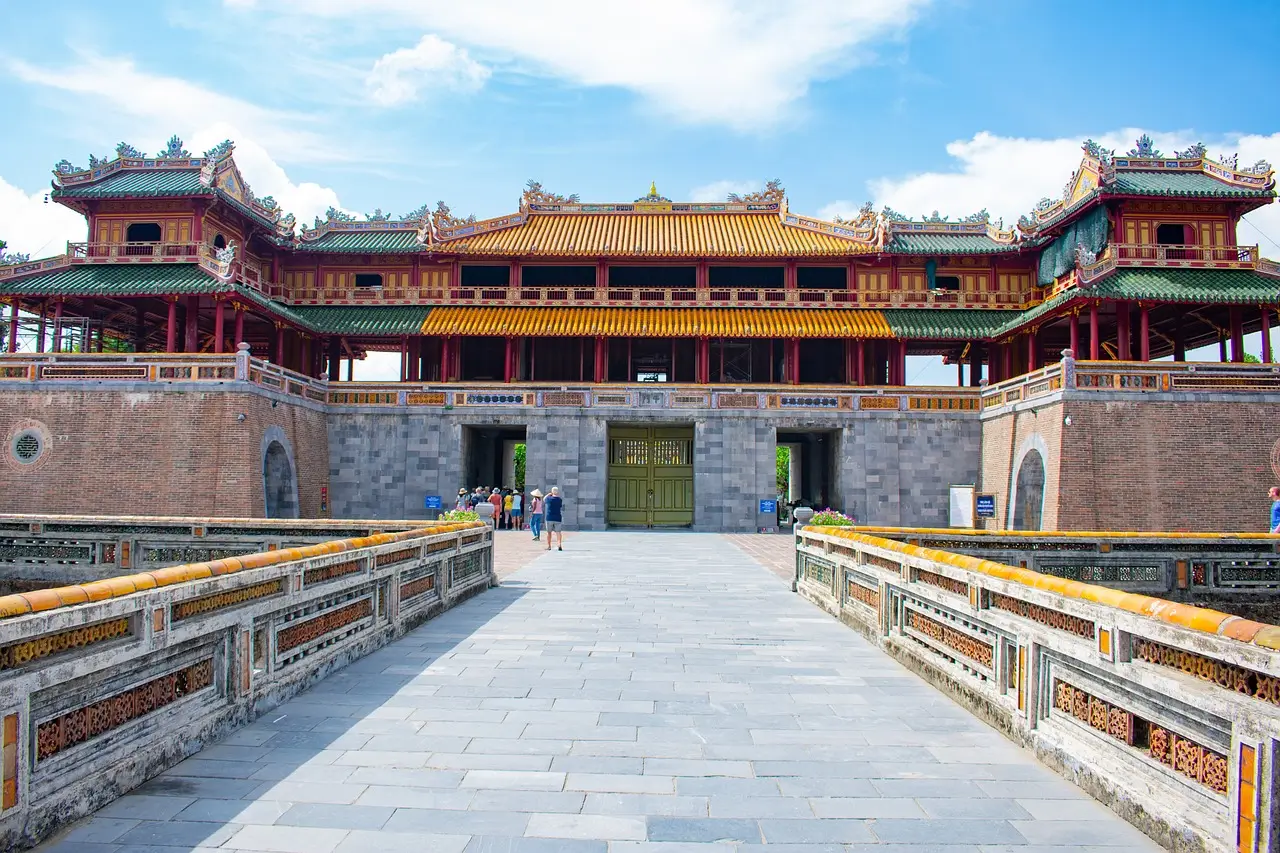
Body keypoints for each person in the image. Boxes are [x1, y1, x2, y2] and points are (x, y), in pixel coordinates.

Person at [544, 485, 564, 551]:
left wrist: (549, 494)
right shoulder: (560, 499)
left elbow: (544, 499)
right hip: (558, 517)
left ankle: (549, 546)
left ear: (552, 492)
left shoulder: (549, 498)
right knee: (558, 532)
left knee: (549, 532)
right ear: (557, 492)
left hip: (549, 517)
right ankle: (559, 544)